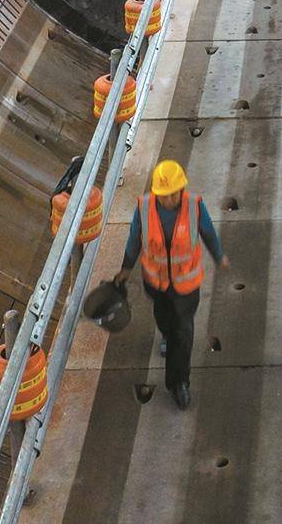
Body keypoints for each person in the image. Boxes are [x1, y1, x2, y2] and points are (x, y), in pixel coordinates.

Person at [116, 160, 227, 408]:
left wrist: (219, 256)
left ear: (182, 189)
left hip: (186, 287)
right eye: (165, 195)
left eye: (174, 193)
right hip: (157, 285)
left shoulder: (193, 206)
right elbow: (135, 238)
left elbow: (208, 232)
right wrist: (125, 268)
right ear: (156, 193)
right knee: (165, 321)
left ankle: (179, 383)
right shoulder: (144, 208)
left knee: (183, 333)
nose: (170, 199)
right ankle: (166, 335)